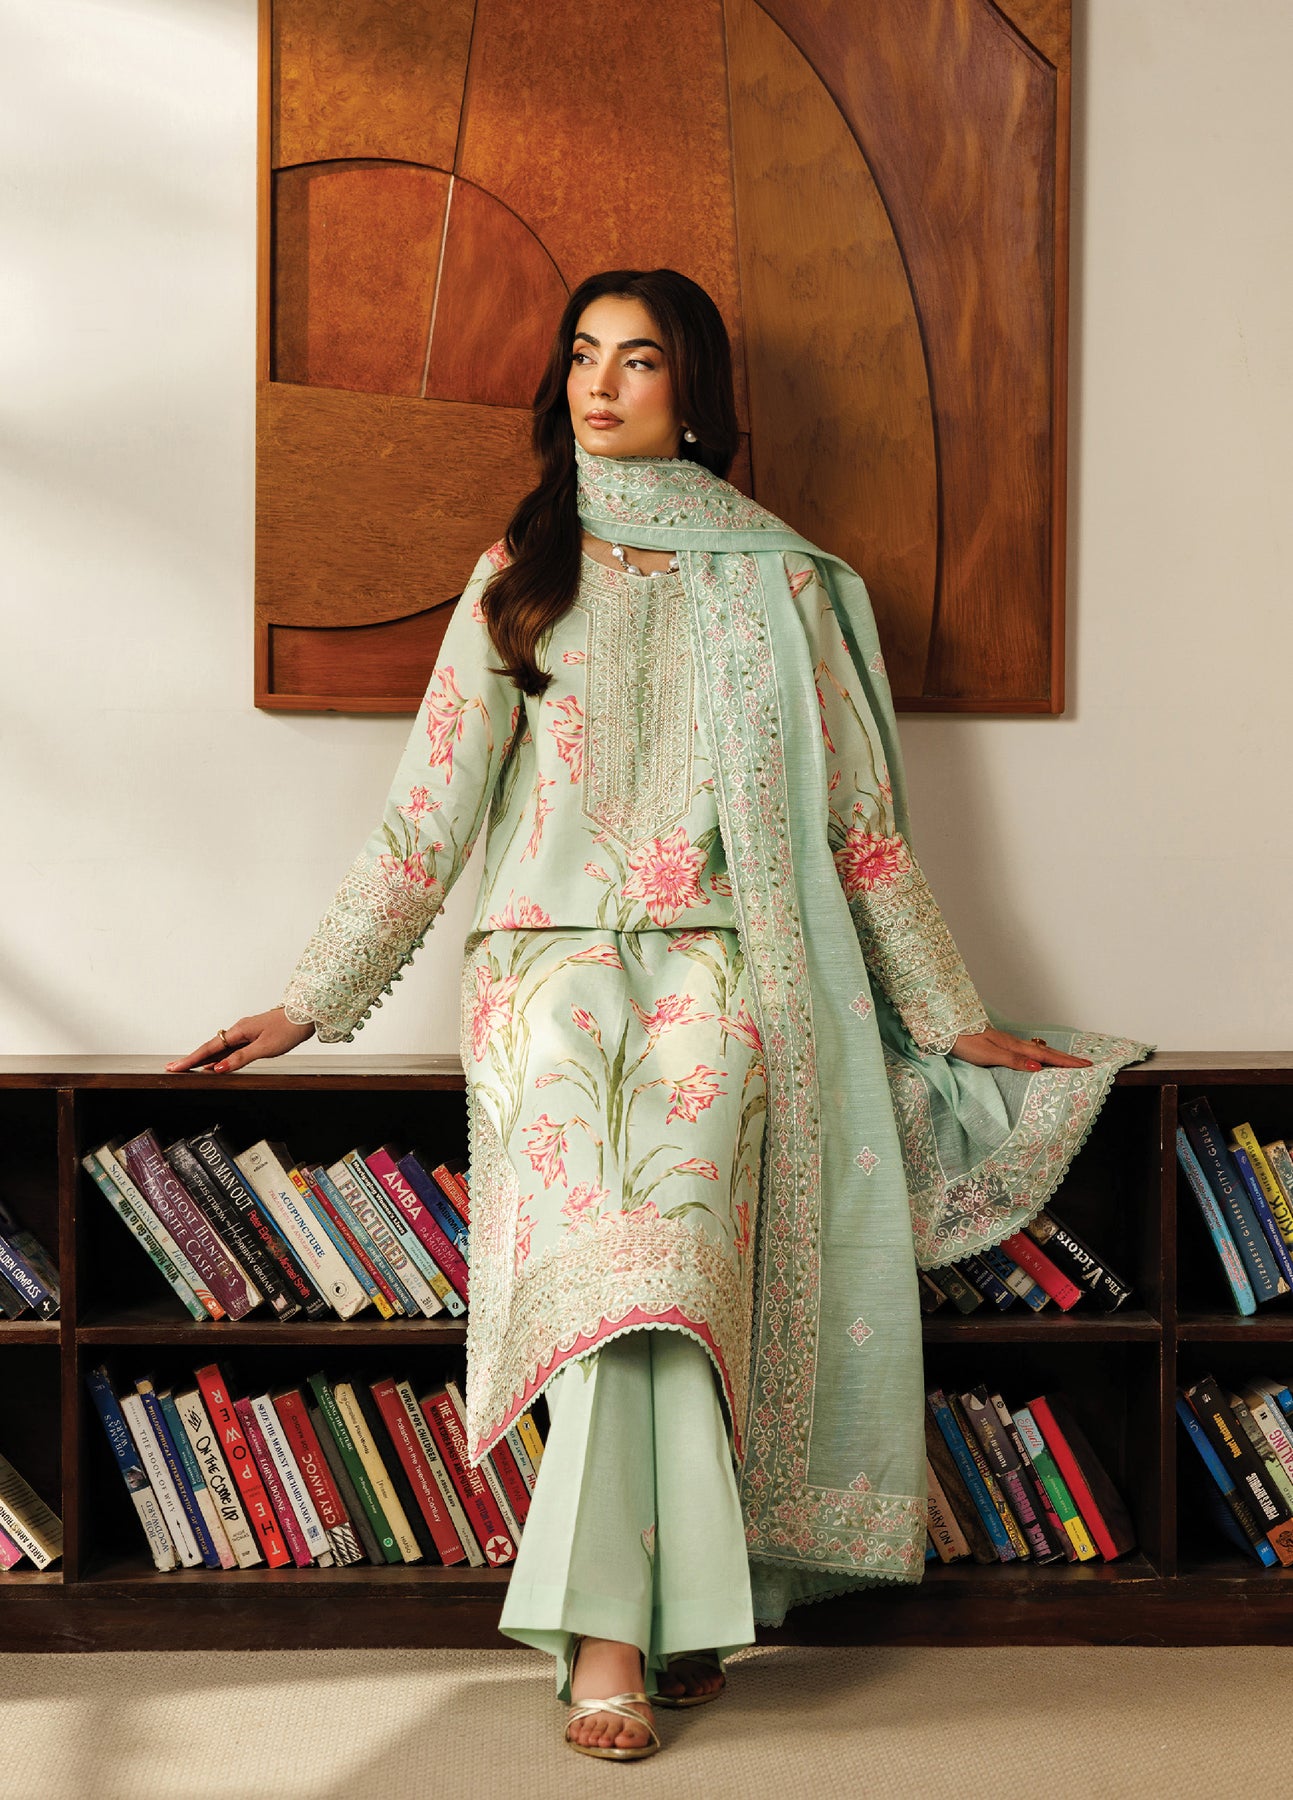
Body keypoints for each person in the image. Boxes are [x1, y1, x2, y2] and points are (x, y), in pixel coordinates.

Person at [168, 268, 1151, 1762]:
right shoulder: (521, 569)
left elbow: (861, 832)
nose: (600, 384)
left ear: (693, 392)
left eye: (636, 360)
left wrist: (948, 1016)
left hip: (729, 974)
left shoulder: (784, 585)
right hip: (546, 977)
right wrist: (311, 1001)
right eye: (582, 355)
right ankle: (650, 1624)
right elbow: (429, 817)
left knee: (671, 1281)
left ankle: (627, 1628)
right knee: (615, 1284)